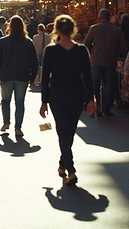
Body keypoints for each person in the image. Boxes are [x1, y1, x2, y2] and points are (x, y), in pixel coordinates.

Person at [39, 15, 94, 187]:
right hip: (76, 94)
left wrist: (44, 101)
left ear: (56, 29)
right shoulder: (81, 50)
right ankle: (70, 169)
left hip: (57, 95)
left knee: (64, 131)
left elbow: (45, 76)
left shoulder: (51, 50)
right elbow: (88, 76)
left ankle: (64, 163)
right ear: (72, 29)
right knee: (68, 130)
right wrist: (90, 99)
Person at [0, 16, 38, 137]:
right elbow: (34, 61)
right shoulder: (28, 42)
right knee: (20, 102)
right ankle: (18, 127)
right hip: (22, 76)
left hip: (6, 76)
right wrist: (32, 77)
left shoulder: (3, 41)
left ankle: (6, 122)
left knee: (5, 101)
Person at [83, 8, 127, 117]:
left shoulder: (94, 28)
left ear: (100, 17)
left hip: (96, 61)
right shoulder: (116, 30)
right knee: (109, 86)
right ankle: (106, 109)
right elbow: (123, 48)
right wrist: (116, 53)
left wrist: (93, 52)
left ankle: (96, 109)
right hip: (110, 62)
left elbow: (86, 44)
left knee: (95, 85)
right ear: (109, 17)